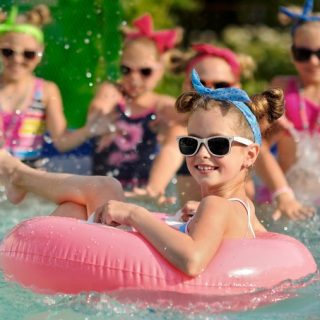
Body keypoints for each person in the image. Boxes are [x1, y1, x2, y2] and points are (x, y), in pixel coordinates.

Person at [0, 69, 283, 275]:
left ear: (250, 154)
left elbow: (193, 260)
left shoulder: (215, 205)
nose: (201, 153)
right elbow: (258, 237)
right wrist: (201, 220)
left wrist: (136, 214)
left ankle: (19, 175)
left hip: (123, 273)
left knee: (105, 188)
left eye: (218, 144)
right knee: (74, 209)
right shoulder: (242, 208)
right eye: (190, 142)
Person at [0, 6, 104, 168]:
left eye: (28, 54)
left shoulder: (46, 91)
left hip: (29, 172)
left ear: (40, 52)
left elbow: (61, 141)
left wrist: (89, 129)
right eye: (8, 52)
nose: (17, 60)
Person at [88, 13, 183, 189]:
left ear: (161, 70)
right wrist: (103, 116)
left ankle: (155, 189)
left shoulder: (160, 105)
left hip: (139, 193)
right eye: (126, 70)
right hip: (101, 188)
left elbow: (185, 117)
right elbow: (99, 107)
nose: (134, 78)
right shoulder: (112, 92)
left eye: (145, 71)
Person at [253, 0, 320, 218]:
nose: (313, 61)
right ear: (292, 54)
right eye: (303, 54)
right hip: (280, 194)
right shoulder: (282, 89)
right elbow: (257, 144)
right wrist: (282, 193)